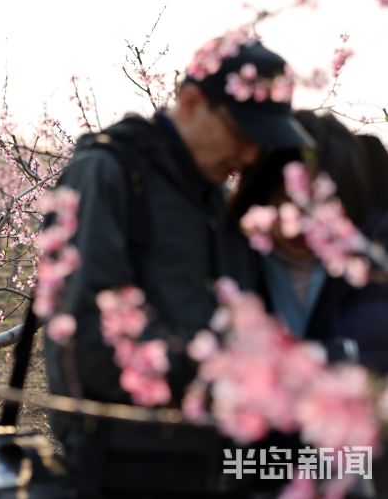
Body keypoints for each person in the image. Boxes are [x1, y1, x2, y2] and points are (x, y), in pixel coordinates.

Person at [43, 36, 313, 498]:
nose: (249, 155)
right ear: (191, 103)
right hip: (125, 456)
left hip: (208, 451)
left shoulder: (217, 199)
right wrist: (216, 371)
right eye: (242, 134)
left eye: (260, 143)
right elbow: (90, 336)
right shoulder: (109, 171)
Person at [231, 109, 388, 373]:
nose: (299, 224)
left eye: (318, 204)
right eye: (285, 200)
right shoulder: (231, 256)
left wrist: (330, 361)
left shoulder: (375, 255)